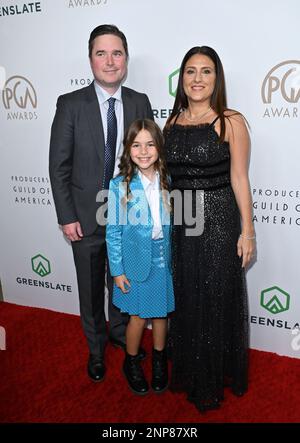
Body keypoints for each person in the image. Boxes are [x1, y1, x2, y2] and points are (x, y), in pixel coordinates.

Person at [49, 24, 153, 383]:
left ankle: (122, 336)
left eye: (117, 53)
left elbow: (149, 161)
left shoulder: (140, 101)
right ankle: (95, 350)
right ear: (90, 58)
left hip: (128, 218)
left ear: (125, 59)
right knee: (91, 288)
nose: (110, 61)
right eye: (101, 53)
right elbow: (59, 166)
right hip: (84, 218)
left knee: (124, 283)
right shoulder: (71, 104)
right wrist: (66, 216)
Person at [164, 46, 255, 412]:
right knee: (188, 295)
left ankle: (213, 377)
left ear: (216, 79)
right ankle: (190, 368)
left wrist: (247, 231)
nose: (197, 79)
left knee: (215, 299)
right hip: (183, 221)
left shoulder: (230, 121)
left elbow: (240, 179)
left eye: (205, 71)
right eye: (190, 71)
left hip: (219, 220)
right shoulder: (170, 124)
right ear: (181, 79)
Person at [106, 119, 174, 395]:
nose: (144, 151)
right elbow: (113, 233)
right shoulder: (118, 185)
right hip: (134, 263)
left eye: (150, 144)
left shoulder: (168, 180)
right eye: (137, 145)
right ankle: (131, 362)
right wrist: (117, 270)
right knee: (136, 318)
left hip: (163, 260)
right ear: (128, 149)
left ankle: (159, 361)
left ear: (159, 147)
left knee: (160, 316)